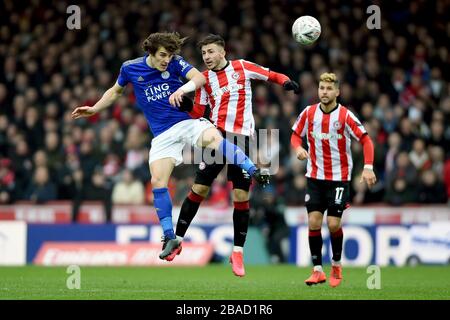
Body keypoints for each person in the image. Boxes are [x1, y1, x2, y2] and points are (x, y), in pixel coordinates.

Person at [71, 32, 269, 260]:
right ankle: (169, 237)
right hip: (162, 135)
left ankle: (253, 170)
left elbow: (199, 78)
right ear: (151, 53)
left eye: (169, 55)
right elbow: (116, 91)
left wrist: (182, 90)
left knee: (215, 139)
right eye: (163, 55)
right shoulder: (130, 68)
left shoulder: (175, 63)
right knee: (157, 181)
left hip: (186, 122)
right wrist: (95, 108)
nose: (167, 60)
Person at [168, 34, 300, 276]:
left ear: (222, 52)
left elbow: (270, 74)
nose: (206, 57)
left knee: (240, 196)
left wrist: (285, 82)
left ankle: (237, 252)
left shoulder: (242, 67)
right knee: (199, 190)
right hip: (216, 137)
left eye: (210, 52)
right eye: (203, 53)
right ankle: (176, 240)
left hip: (242, 139)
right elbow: (198, 110)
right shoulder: (204, 79)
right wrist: (184, 104)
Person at [290, 72, 376, 287]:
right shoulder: (309, 113)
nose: (324, 92)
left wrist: (367, 167)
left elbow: (366, 141)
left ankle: (336, 265)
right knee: (313, 222)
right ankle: (317, 270)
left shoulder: (345, 116)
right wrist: (298, 147)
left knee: (333, 223)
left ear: (337, 92)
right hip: (315, 177)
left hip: (339, 178)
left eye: (329, 89)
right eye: (321, 88)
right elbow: (294, 135)